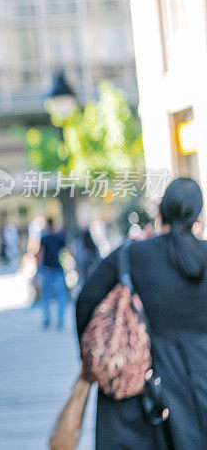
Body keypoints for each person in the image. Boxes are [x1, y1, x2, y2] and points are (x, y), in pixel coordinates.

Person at [76, 177, 207, 449]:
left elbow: (86, 301)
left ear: (159, 212)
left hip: (143, 389)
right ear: (199, 215)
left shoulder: (131, 254)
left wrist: (95, 355)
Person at [35, 217, 68, 330]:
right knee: (61, 295)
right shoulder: (59, 237)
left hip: (47, 269)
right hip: (57, 268)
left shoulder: (44, 238)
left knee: (46, 296)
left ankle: (47, 319)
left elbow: (40, 254)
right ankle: (60, 320)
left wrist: (37, 270)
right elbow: (67, 250)